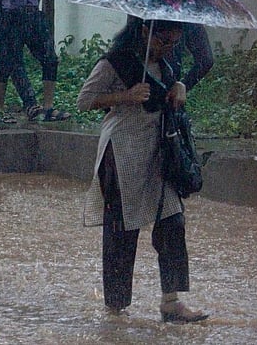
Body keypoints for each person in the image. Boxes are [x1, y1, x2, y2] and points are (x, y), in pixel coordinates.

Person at [77, 16, 208, 323]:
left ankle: (171, 301)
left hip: (158, 152)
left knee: (172, 222)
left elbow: (167, 94)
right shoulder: (115, 62)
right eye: (164, 41)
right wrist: (125, 96)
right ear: (145, 30)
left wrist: (179, 87)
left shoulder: (166, 65)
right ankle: (116, 308)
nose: (167, 48)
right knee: (122, 229)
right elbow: (84, 101)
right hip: (122, 153)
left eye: (174, 43)